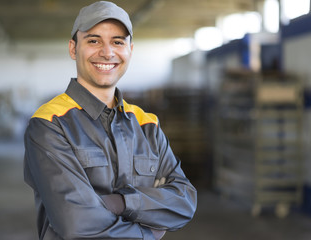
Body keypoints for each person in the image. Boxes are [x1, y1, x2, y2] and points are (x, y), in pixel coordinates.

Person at [23, 1, 197, 239]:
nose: (107, 52)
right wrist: (149, 233)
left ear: (130, 50)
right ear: (73, 49)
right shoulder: (49, 124)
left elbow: (184, 202)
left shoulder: (147, 125)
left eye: (117, 42)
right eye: (93, 41)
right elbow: (76, 222)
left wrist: (119, 203)